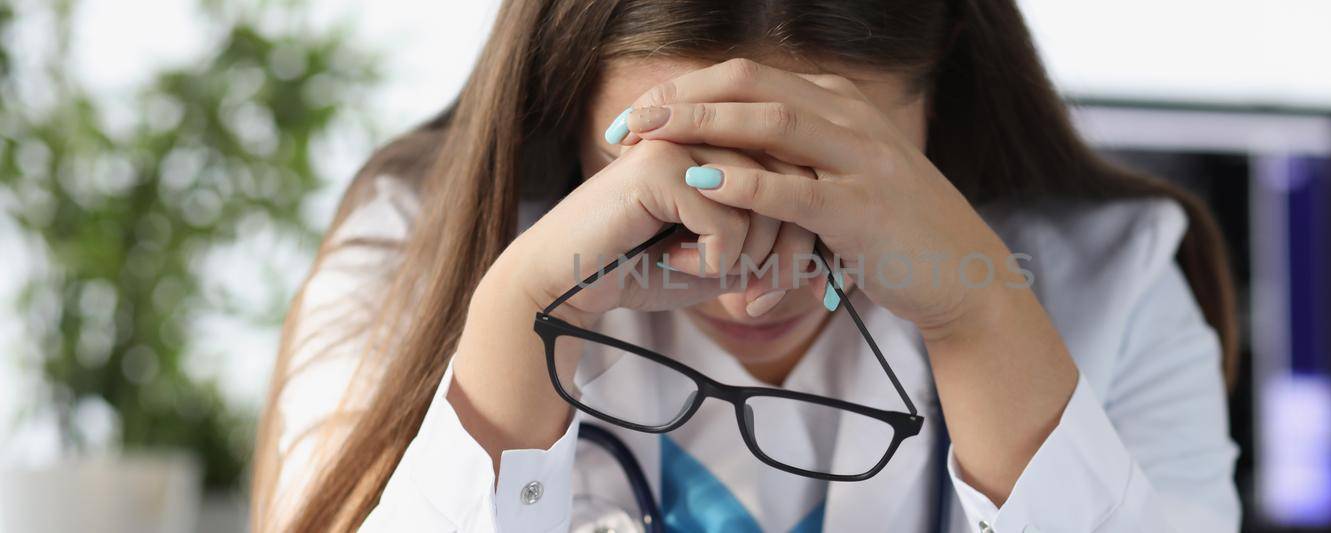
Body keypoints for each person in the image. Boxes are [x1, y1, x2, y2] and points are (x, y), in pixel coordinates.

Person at [250, 1, 1242, 531]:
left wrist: (978, 318)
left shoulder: (1117, 283)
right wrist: (513, 316)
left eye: (828, 186)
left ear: (936, 112)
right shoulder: (405, 262)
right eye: (681, 193)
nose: (752, 278)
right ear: (564, 115)